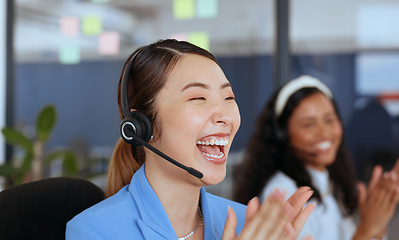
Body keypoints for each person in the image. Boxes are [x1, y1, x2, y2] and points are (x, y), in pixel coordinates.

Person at [66, 39, 315, 239]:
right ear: (141, 127)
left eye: (228, 98)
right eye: (198, 98)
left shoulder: (247, 225)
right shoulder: (95, 231)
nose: (224, 117)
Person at [232, 75, 399, 240]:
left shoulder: (332, 182)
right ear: (282, 134)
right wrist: (367, 229)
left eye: (329, 120)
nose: (324, 133)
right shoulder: (283, 194)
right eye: (308, 124)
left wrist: (377, 225)